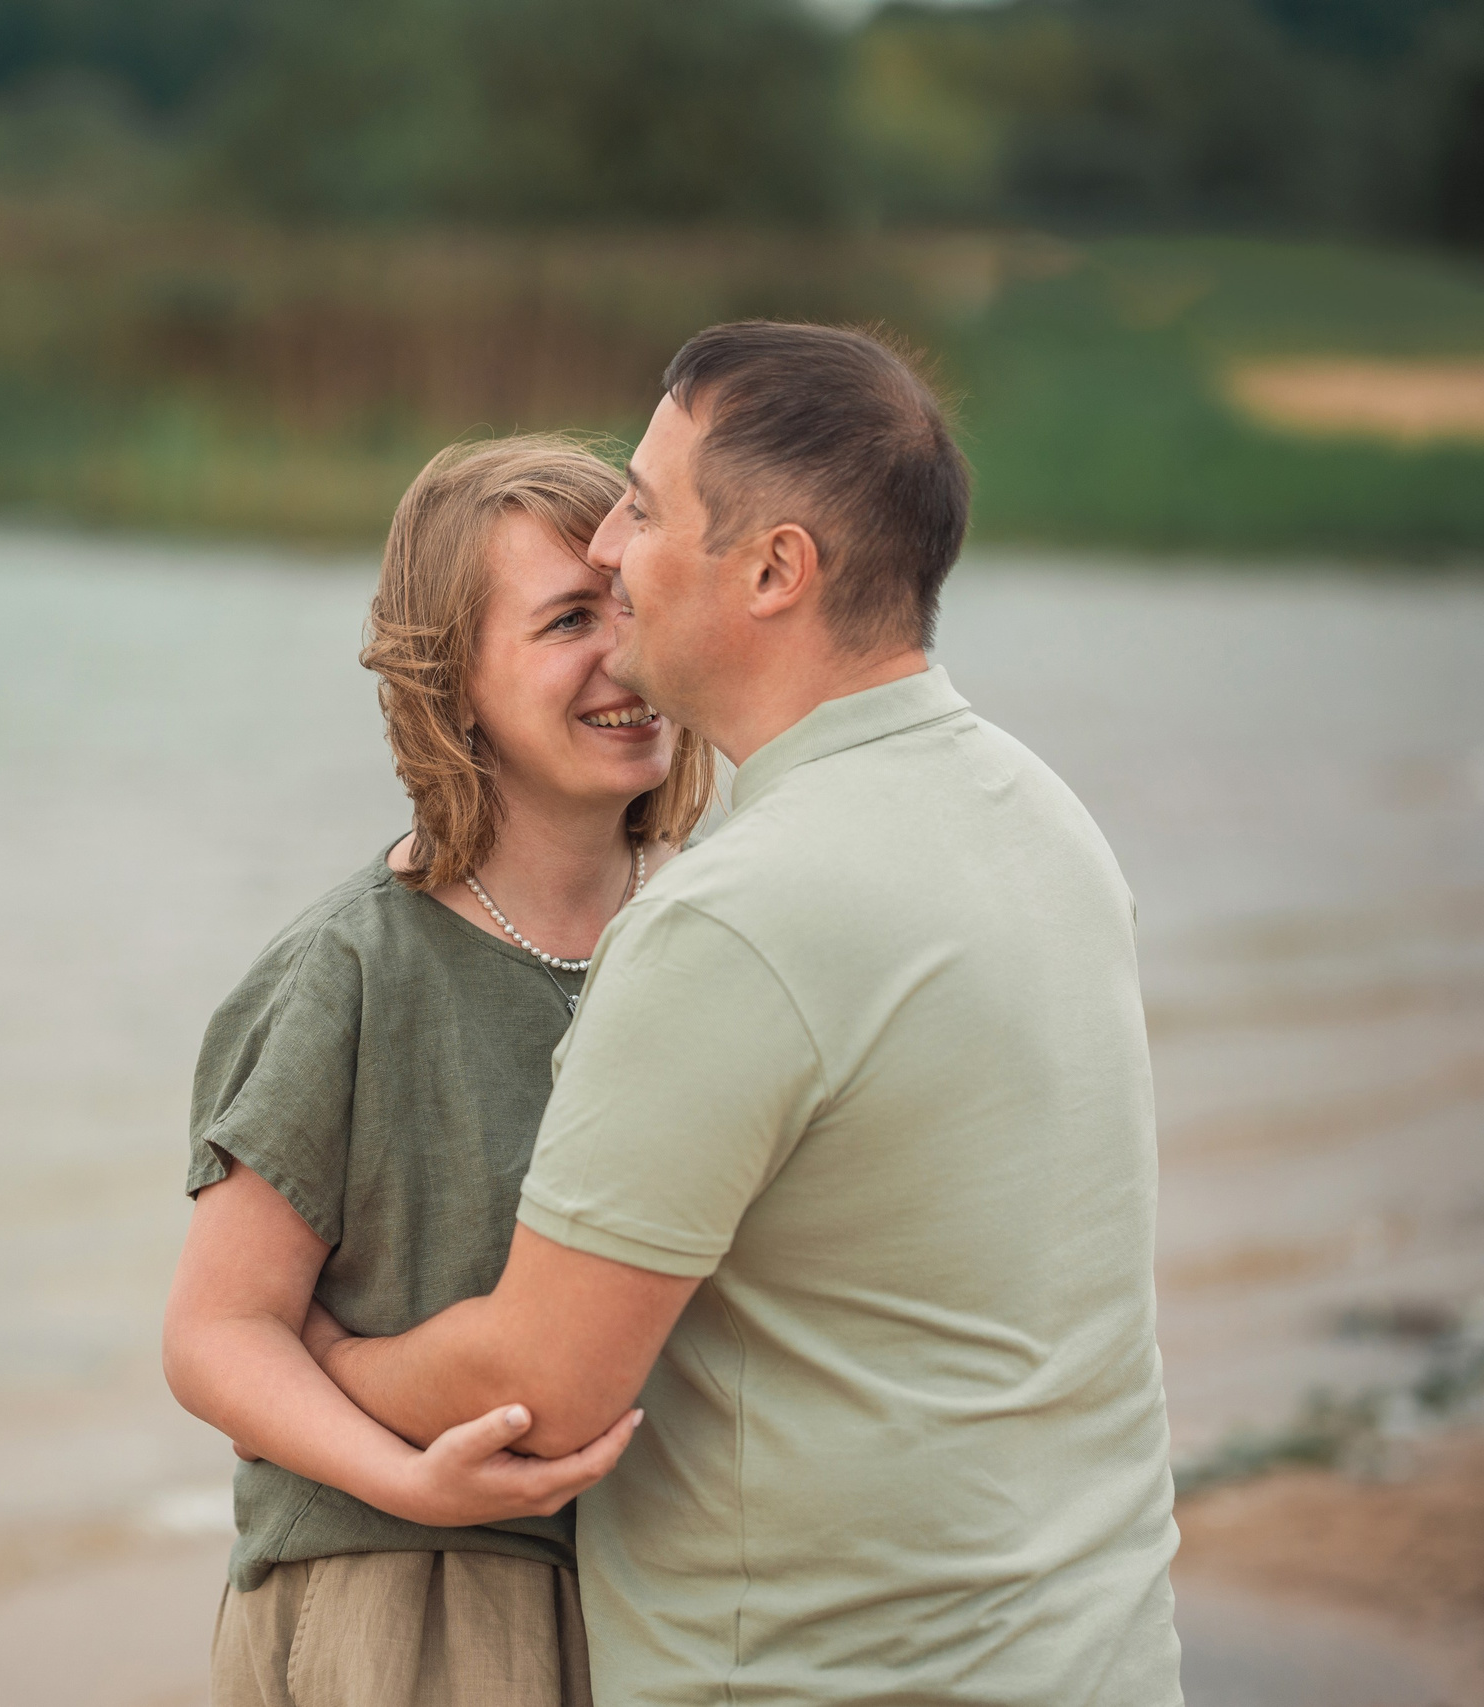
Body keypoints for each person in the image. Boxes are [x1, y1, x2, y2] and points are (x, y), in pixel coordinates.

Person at [306, 323, 1184, 1704]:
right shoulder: (1041, 816)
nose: (606, 549)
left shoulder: (735, 918)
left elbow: (545, 1381)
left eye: (645, 509)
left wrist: (322, 1352)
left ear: (776, 569)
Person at [161, 434, 717, 1707]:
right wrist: (409, 1478)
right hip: (412, 1592)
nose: (622, 654)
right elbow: (213, 1334)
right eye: (569, 618)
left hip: (663, 1596)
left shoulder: (711, 934)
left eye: (633, 605)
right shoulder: (350, 967)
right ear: (451, 681)